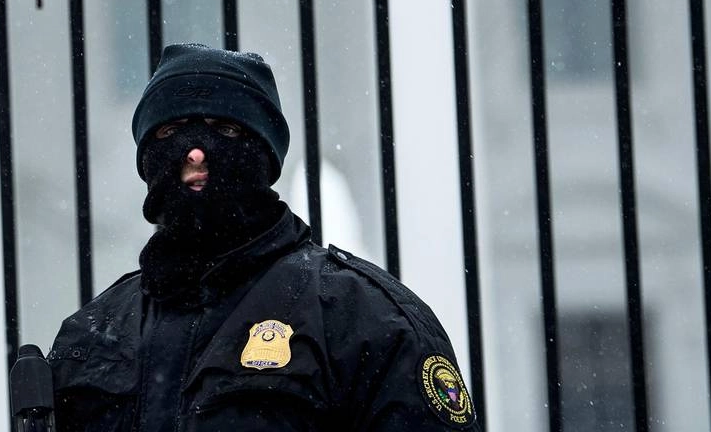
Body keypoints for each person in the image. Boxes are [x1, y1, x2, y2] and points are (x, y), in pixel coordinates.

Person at [48, 43, 475, 429]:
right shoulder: (91, 335)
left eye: (225, 130)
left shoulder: (362, 317)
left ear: (264, 153)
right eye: (170, 132)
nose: (195, 152)